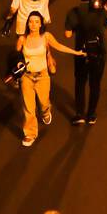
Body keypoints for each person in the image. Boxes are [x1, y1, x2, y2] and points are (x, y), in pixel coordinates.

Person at [17, 10, 83, 147]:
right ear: (27, 23)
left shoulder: (46, 36)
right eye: (30, 21)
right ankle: (30, 134)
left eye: (36, 21)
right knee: (29, 108)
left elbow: (59, 46)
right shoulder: (22, 39)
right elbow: (16, 56)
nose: (33, 24)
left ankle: (46, 112)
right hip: (27, 77)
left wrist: (76, 52)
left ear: (41, 23)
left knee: (44, 102)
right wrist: (17, 63)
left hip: (42, 76)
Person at [64, 0, 107, 125]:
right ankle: (91, 115)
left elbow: (67, 34)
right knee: (95, 84)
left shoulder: (74, 12)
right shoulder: (100, 10)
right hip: (99, 53)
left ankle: (79, 113)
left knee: (80, 83)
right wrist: (105, 7)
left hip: (81, 53)